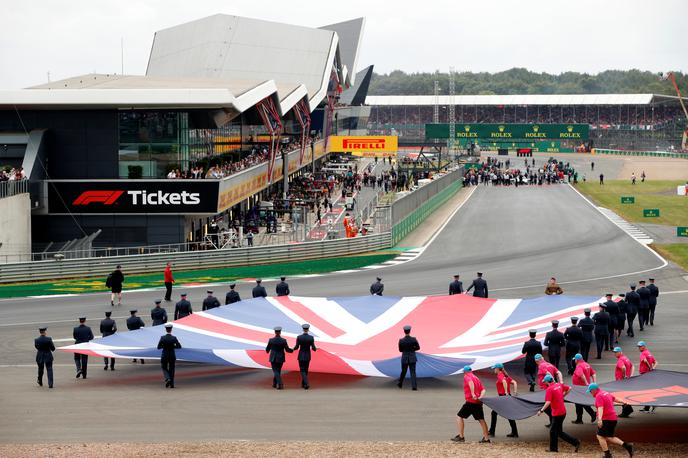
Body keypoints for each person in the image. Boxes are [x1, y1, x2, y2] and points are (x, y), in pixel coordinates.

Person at [587, 383, 635, 458]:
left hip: (607, 419)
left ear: (594, 390)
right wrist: (623, 401)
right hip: (612, 418)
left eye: (590, 391)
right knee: (609, 437)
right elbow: (615, 398)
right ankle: (627, 446)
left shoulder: (599, 396)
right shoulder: (605, 393)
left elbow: (600, 408)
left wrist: (599, 419)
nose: (590, 393)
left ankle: (607, 455)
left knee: (600, 436)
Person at [538, 374, 580, 453]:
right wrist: (563, 395)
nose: (544, 383)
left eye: (545, 381)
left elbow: (548, 402)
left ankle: (554, 449)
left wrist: (541, 410)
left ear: (547, 382)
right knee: (559, 432)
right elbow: (569, 388)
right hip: (562, 412)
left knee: (553, 431)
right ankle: (575, 442)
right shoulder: (559, 385)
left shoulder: (549, 389)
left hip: (557, 413)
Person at [451, 366, 491, 443]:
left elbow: (470, 382)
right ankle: (486, 438)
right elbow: (483, 389)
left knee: (459, 417)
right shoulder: (476, 377)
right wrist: (480, 397)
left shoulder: (467, 376)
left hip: (471, 401)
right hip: (478, 402)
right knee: (481, 420)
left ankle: (461, 436)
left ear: (465, 372)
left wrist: (473, 393)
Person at [488, 363, 518, 438]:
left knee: (494, 413)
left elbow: (504, 381)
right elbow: (514, 382)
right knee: (508, 414)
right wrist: (515, 391)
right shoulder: (506, 375)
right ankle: (515, 432)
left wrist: (505, 392)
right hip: (507, 396)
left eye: (494, 368)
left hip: (503, 396)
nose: (494, 370)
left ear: (498, 369)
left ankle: (492, 431)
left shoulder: (500, 375)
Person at [571, 354, 597, 424]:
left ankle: (592, 414)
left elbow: (581, 374)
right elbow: (593, 373)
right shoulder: (586, 364)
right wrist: (594, 383)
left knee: (579, 403)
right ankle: (579, 419)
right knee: (579, 403)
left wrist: (586, 383)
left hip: (579, 388)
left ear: (576, 360)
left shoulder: (579, 366)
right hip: (584, 387)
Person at [293, 323, 317, 389]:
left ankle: (306, 383)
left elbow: (296, 347)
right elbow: (313, 348)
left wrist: (292, 349)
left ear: (303, 329)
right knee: (306, 370)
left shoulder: (299, 337)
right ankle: (303, 384)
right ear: (308, 329)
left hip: (301, 356)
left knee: (302, 370)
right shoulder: (311, 338)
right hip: (308, 356)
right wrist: (316, 349)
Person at [157, 324, 181, 388]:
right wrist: (173, 346)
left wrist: (164, 346)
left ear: (166, 330)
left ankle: (168, 378)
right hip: (172, 355)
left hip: (165, 355)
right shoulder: (174, 338)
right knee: (172, 369)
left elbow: (158, 347)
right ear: (171, 330)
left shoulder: (162, 338)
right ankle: (172, 384)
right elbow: (179, 346)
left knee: (164, 367)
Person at [613, 347, 635, 418]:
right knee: (624, 395)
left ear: (620, 352)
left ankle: (626, 411)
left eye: (616, 352)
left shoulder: (620, 360)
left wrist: (624, 375)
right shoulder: (626, 358)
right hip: (626, 381)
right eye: (614, 352)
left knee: (621, 396)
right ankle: (628, 409)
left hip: (621, 381)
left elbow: (623, 368)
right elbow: (632, 366)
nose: (615, 354)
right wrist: (630, 375)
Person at [397, 325, 420, 391]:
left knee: (403, 371)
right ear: (410, 331)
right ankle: (414, 387)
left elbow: (400, 350)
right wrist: (412, 349)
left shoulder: (401, 340)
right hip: (412, 357)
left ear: (404, 331)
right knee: (413, 372)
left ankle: (400, 383)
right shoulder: (414, 339)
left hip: (404, 358)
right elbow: (418, 348)